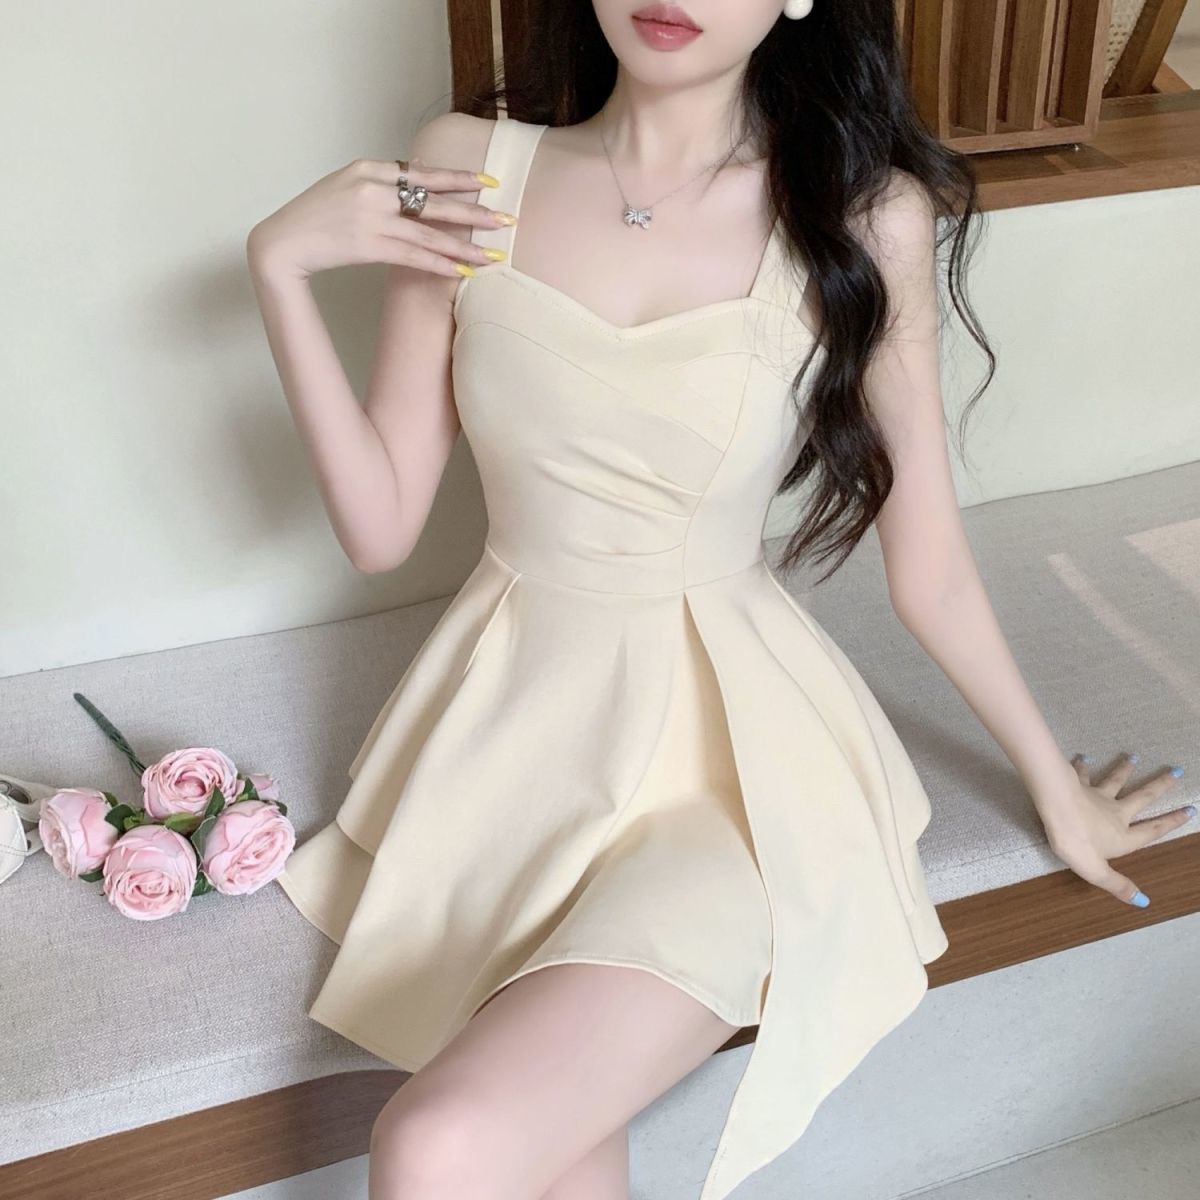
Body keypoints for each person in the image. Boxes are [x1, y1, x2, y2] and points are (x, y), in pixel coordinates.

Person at [245, 2, 1195, 1196]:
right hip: (510, 743)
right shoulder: (466, 165)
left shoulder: (863, 216)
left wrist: (1058, 792)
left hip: (730, 777)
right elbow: (382, 524)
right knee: (546, 1140)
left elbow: (932, 566)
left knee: (440, 1142)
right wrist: (279, 270)